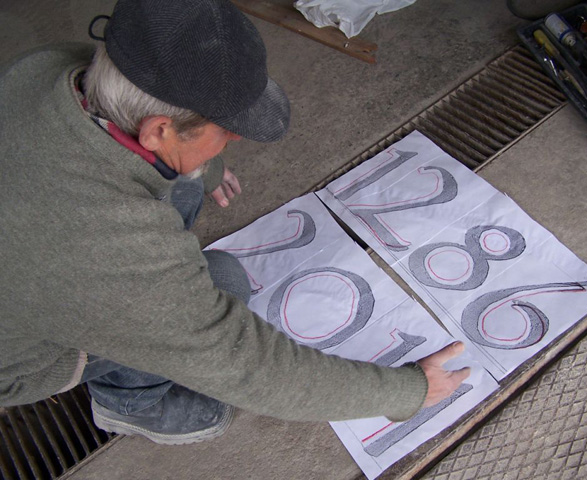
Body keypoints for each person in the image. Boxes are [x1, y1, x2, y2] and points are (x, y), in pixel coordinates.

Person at [0, 0, 470, 445]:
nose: (236, 139)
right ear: (158, 130)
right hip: (17, 360)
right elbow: (249, 368)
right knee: (223, 278)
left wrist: (204, 167)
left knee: (183, 183)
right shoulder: (106, 250)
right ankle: (130, 403)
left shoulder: (46, 68)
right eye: (227, 131)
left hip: (30, 247)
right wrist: (408, 392)